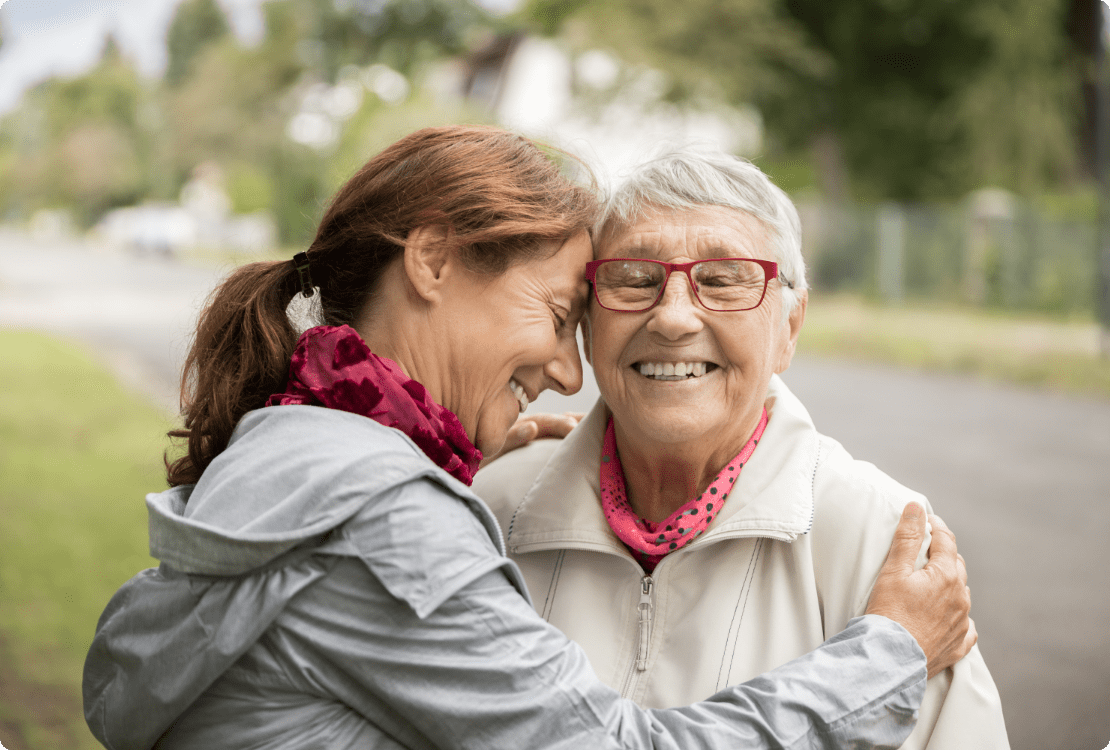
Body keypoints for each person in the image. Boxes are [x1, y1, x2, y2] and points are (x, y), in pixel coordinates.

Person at [83, 126, 974, 750]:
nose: (566, 368)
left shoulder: (299, 448)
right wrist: (888, 654)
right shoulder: (391, 517)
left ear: (791, 320)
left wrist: (436, 483)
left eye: (725, 282)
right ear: (432, 261)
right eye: (563, 312)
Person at [474, 145, 1009, 749]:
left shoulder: (883, 540)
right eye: (634, 279)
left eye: (724, 281)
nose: (673, 318)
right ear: (589, 327)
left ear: (790, 329)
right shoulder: (489, 509)